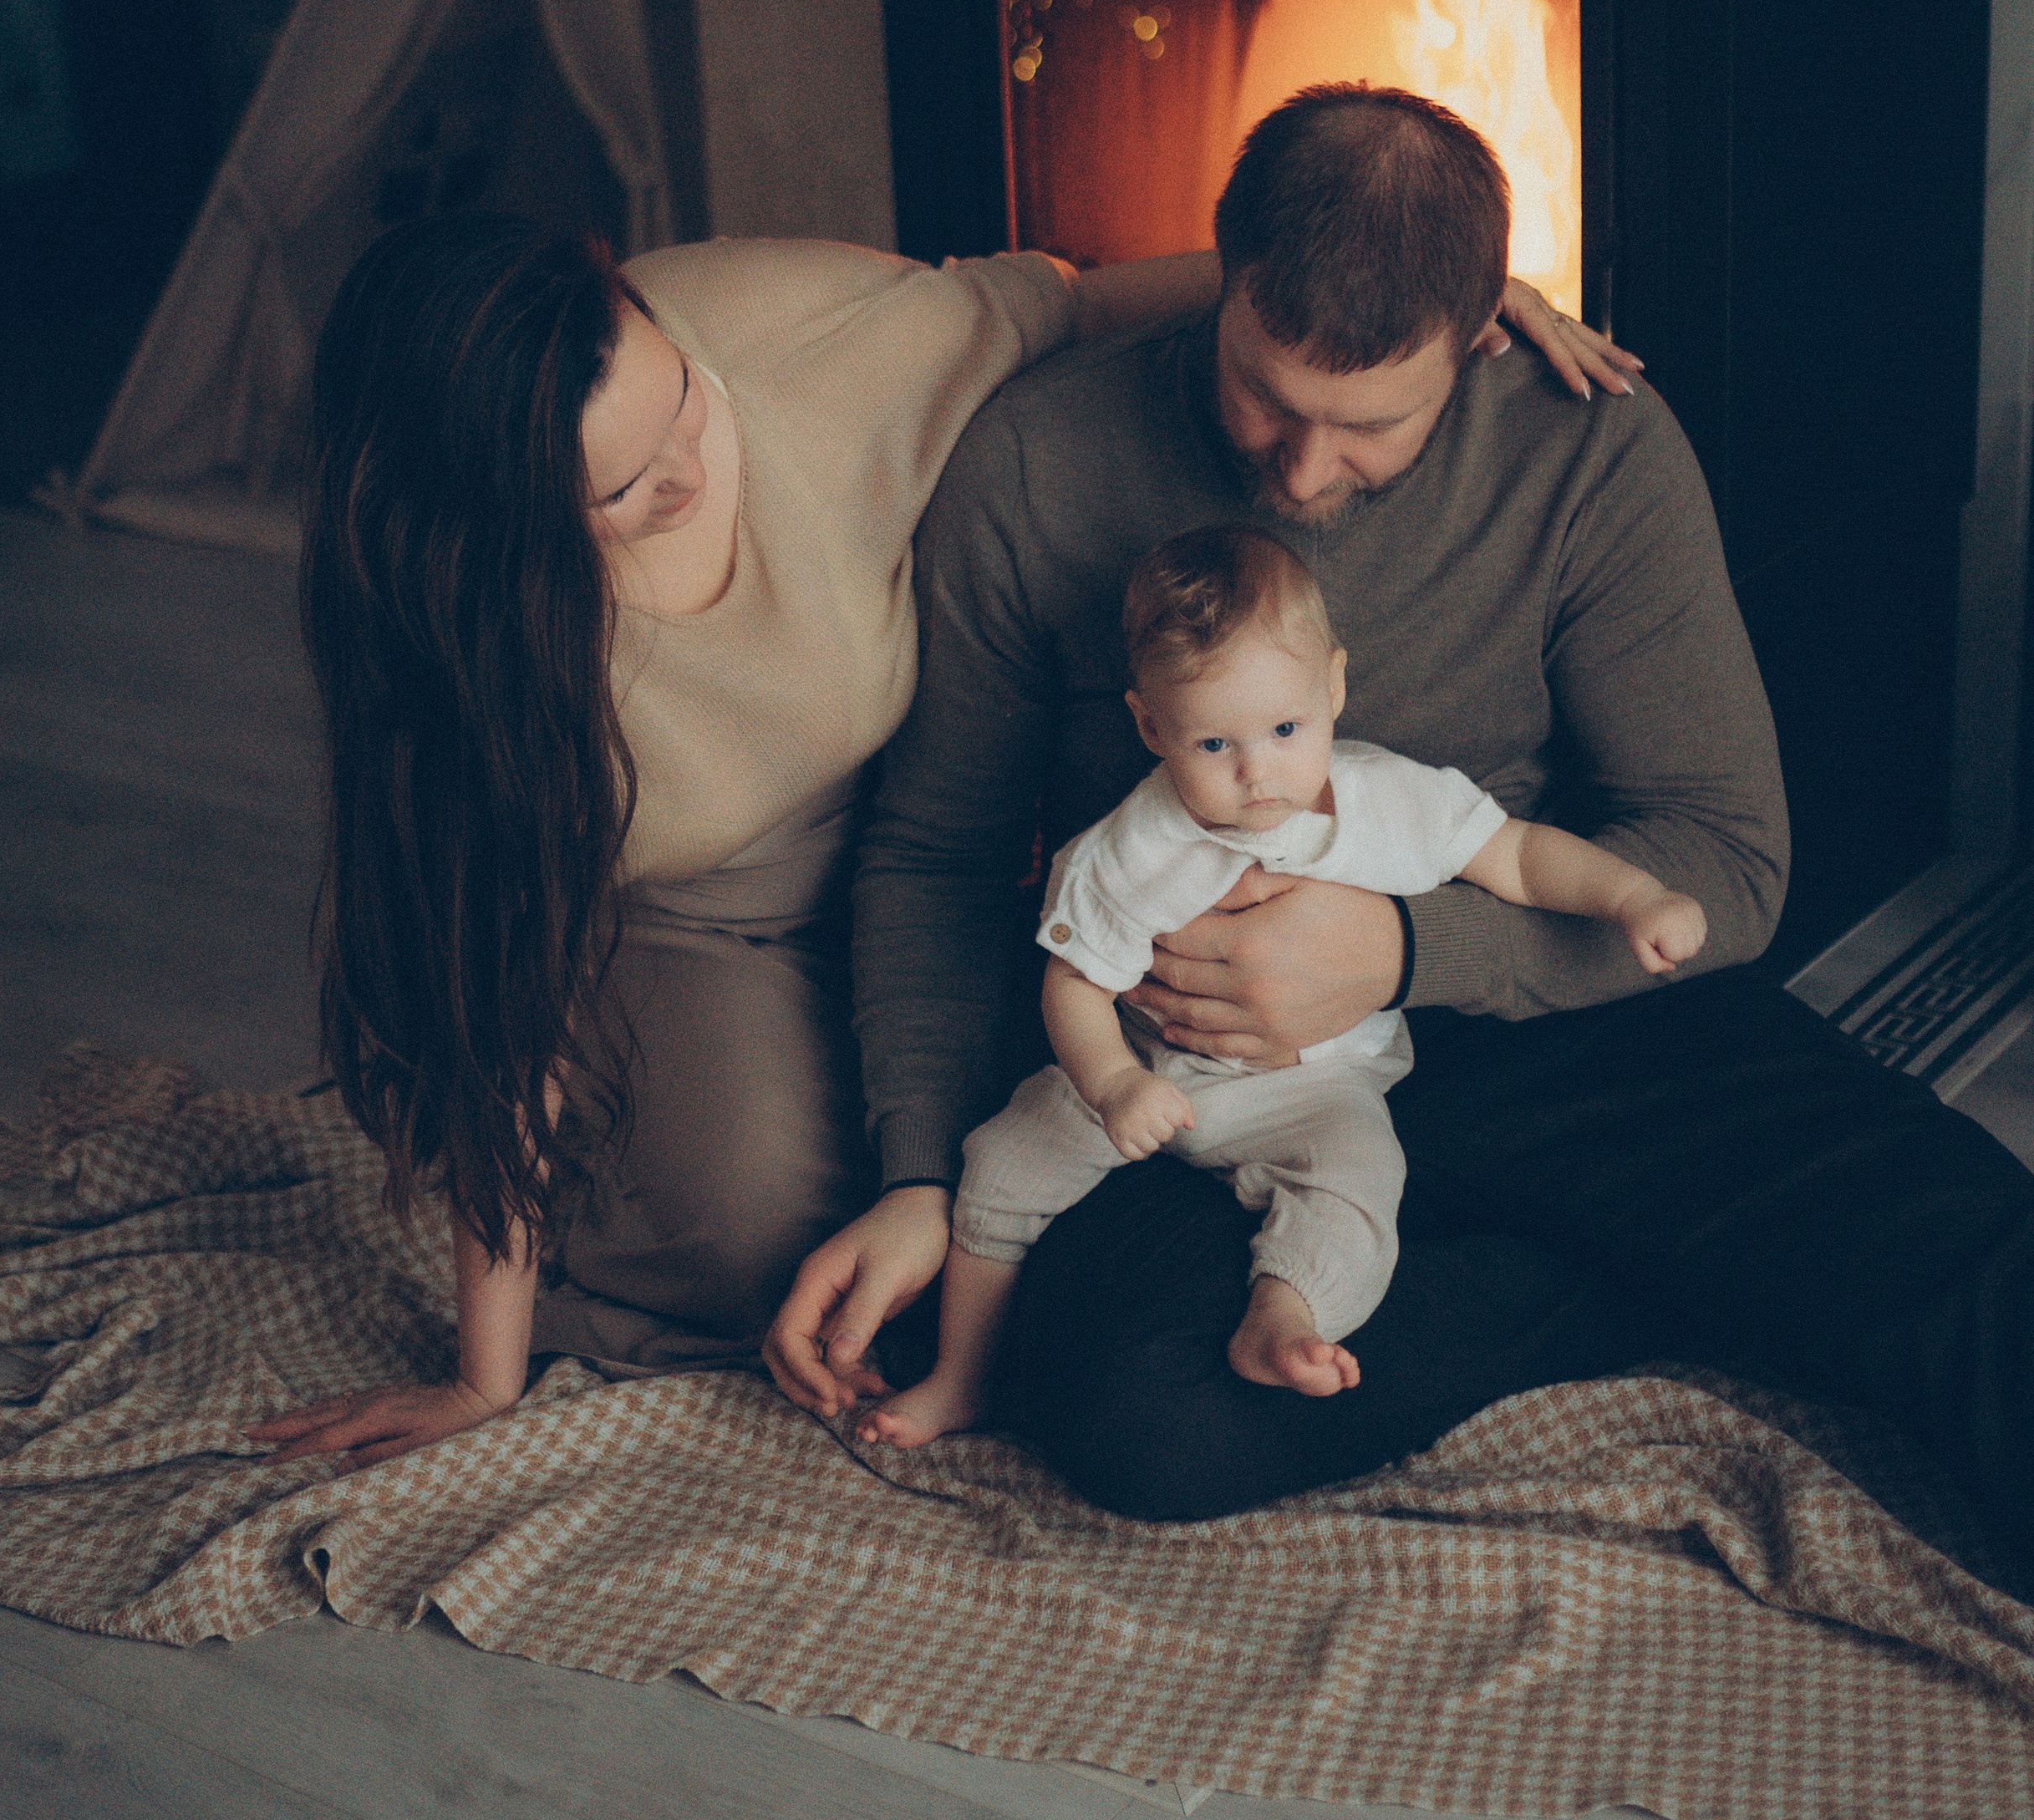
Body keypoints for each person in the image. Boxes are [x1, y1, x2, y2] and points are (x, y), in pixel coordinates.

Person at [766, 85, 2034, 1570]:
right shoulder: (1038, 462)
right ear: (1222, 278)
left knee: (1949, 1244)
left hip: (1544, 1004)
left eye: (1368, 424)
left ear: (1482, 327)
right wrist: (920, 1168)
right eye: (1264, 394)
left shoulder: (1587, 448)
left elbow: (1727, 855)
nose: (1301, 473)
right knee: (1138, 1415)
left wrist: (1405, 945)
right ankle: (1629, 1273)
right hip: (1201, 1078)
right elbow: (932, 854)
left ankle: (1623, 1234)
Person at [246, 204, 1617, 1472]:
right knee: (793, 1247)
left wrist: (1427, 299)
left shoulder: (796, 327)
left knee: (1026, 1155)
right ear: (502, 521)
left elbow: (1074, 300)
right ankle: (635, 1134)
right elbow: (498, 1005)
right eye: (625, 491)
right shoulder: (466, 646)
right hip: (689, 911)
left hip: (930, 847)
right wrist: (484, 1376)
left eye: (677, 405)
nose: (686, 465)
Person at [862, 522, 1704, 1450]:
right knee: (1002, 1166)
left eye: (1286, 729)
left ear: (1334, 687)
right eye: (1215, 741)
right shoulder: (1126, 850)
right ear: (1150, 725)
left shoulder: (1387, 799)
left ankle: (1286, 1313)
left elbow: (1518, 856)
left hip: (1313, 1082)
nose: (1257, 770)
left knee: (1358, 1173)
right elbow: (1072, 986)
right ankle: (962, 1373)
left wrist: (1633, 894)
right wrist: (1111, 1083)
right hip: (1146, 1072)